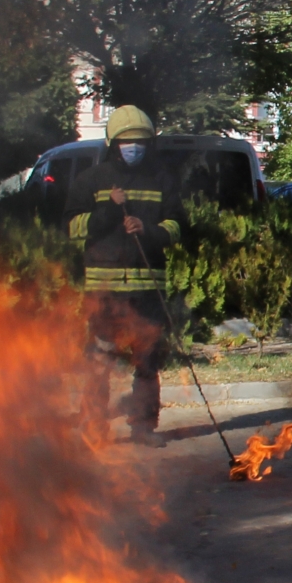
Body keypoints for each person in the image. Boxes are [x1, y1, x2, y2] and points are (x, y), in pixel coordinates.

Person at [69, 104, 183, 443]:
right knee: (99, 362)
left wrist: (148, 229)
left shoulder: (162, 180)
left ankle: (144, 428)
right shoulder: (91, 181)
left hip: (148, 290)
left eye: (140, 142)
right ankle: (93, 428)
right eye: (126, 142)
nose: (134, 148)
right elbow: (73, 227)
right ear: (112, 143)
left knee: (147, 361)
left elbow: (178, 226)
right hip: (103, 292)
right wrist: (107, 209)